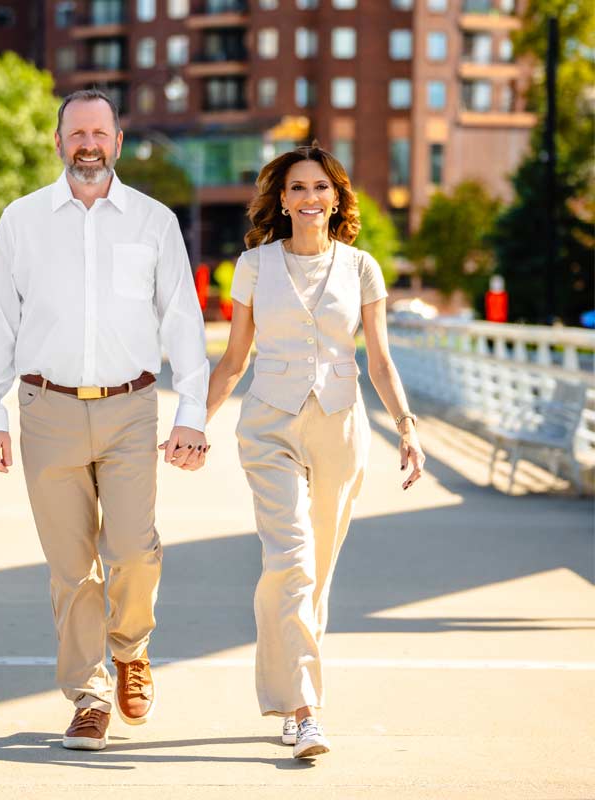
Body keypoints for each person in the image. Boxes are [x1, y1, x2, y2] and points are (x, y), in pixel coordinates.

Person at [0, 89, 209, 752]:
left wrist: (192, 412)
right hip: (45, 408)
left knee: (133, 550)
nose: (88, 144)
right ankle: (89, 695)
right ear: (58, 142)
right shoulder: (21, 221)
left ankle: (131, 650)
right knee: (71, 567)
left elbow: (182, 319)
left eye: (99, 133)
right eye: (76, 133)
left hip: (131, 407)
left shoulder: (154, 221)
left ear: (117, 143)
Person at [206, 143, 426, 759]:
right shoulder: (253, 266)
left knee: (315, 571)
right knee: (291, 560)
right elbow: (234, 358)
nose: (309, 197)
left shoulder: (361, 268)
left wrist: (406, 427)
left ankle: (287, 694)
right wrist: (193, 422)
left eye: (320, 187)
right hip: (269, 424)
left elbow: (379, 360)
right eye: (298, 188)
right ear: (282, 199)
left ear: (336, 198)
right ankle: (305, 711)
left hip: (339, 425)